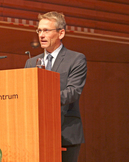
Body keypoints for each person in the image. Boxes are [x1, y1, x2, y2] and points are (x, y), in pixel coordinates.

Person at [25, 11, 87, 162]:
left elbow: (73, 92)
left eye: (46, 30)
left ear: (61, 33)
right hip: (37, 134)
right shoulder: (31, 63)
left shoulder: (76, 59)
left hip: (65, 133)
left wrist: (44, 98)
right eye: (39, 30)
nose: (41, 35)